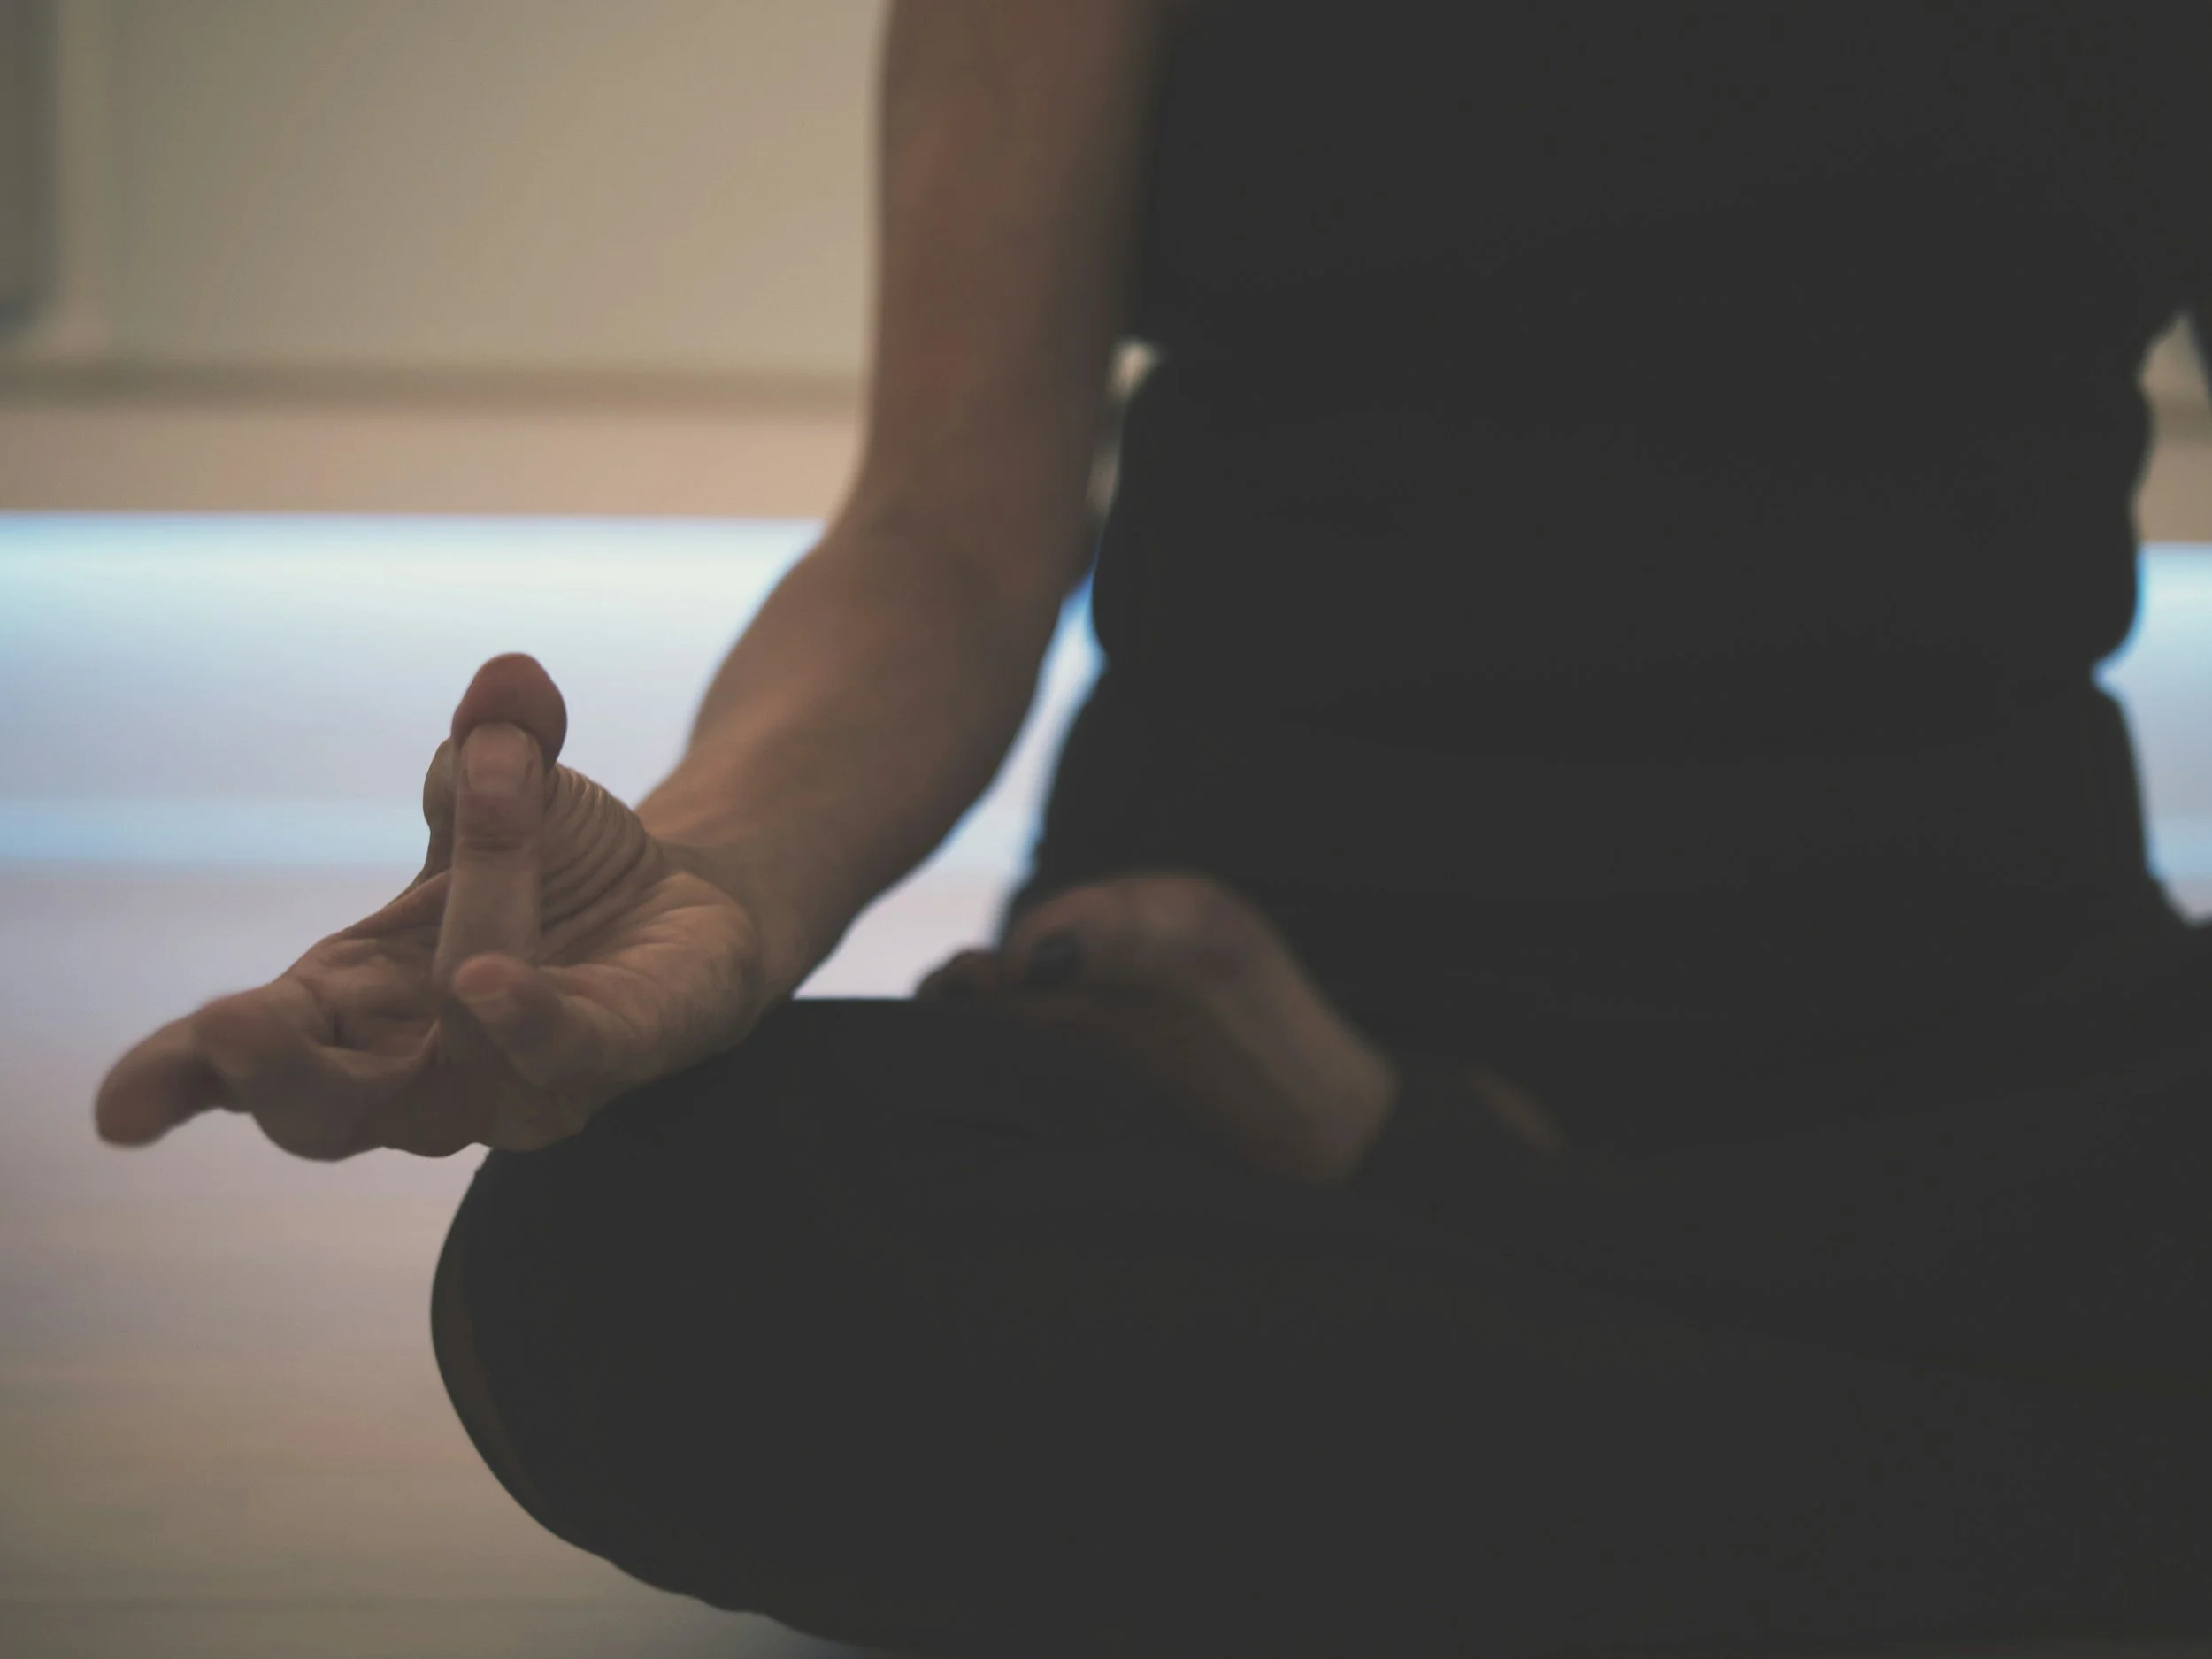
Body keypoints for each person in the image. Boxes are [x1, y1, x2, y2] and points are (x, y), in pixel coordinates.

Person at [89, 4, 2212, 1655]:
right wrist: (717, 884)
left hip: (1959, 1059)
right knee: (630, 1264)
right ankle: (1981, 1487)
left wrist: (1409, 1176)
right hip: (1193, 1050)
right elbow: (943, 525)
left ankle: (1435, 1234)